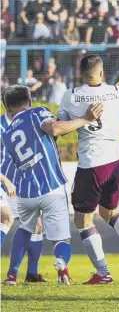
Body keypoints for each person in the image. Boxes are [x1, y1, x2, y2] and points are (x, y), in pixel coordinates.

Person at [58, 55, 119, 285]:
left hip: (92, 163)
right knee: (108, 212)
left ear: (80, 73)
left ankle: (103, 272)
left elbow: (62, 129)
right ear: (102, 73)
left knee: (82, 221)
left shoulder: (70, 95)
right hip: (117, 160)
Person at [1, 85, 102, 285]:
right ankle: (61, 263)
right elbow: (54, 128)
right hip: (51, 186)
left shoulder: (7, 134)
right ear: (29, 101)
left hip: (26, 192)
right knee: (61, 239)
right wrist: (85, 119)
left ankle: (12, 275)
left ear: (7, 108)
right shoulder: (38, 112)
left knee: (25, 228)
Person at [1, 103, 46, 285]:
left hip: (20, 186)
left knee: (36, 225)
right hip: (3, 182)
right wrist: (4, 180)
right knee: (5, 218)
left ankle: (31, 274)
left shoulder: (31, 127)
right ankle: (12, 276)